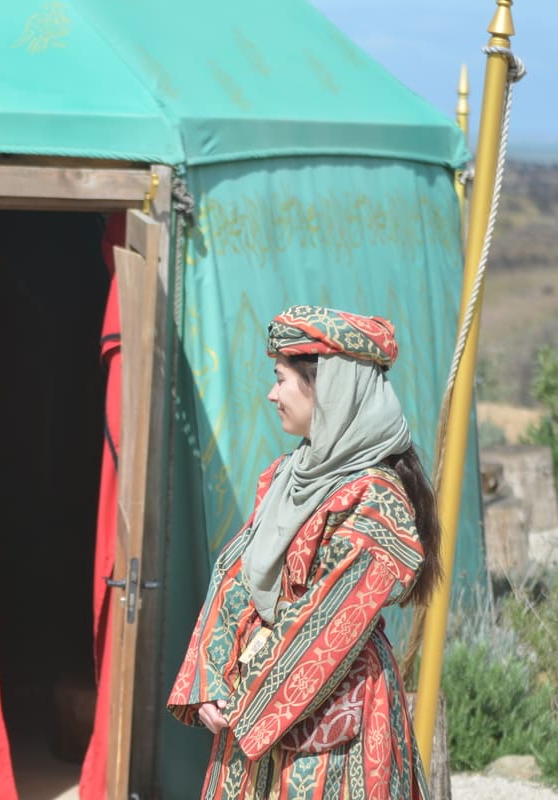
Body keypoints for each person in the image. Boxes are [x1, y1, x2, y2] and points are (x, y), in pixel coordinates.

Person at [167, 305, 441, 799]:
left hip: (332, 725)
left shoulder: (375, 502)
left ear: (328, 387)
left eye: (281, 380)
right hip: (254, 706)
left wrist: (243, 697)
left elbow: (327, 623)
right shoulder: (285, 476)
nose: (271, 394)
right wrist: (211, 679)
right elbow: (236, 572)